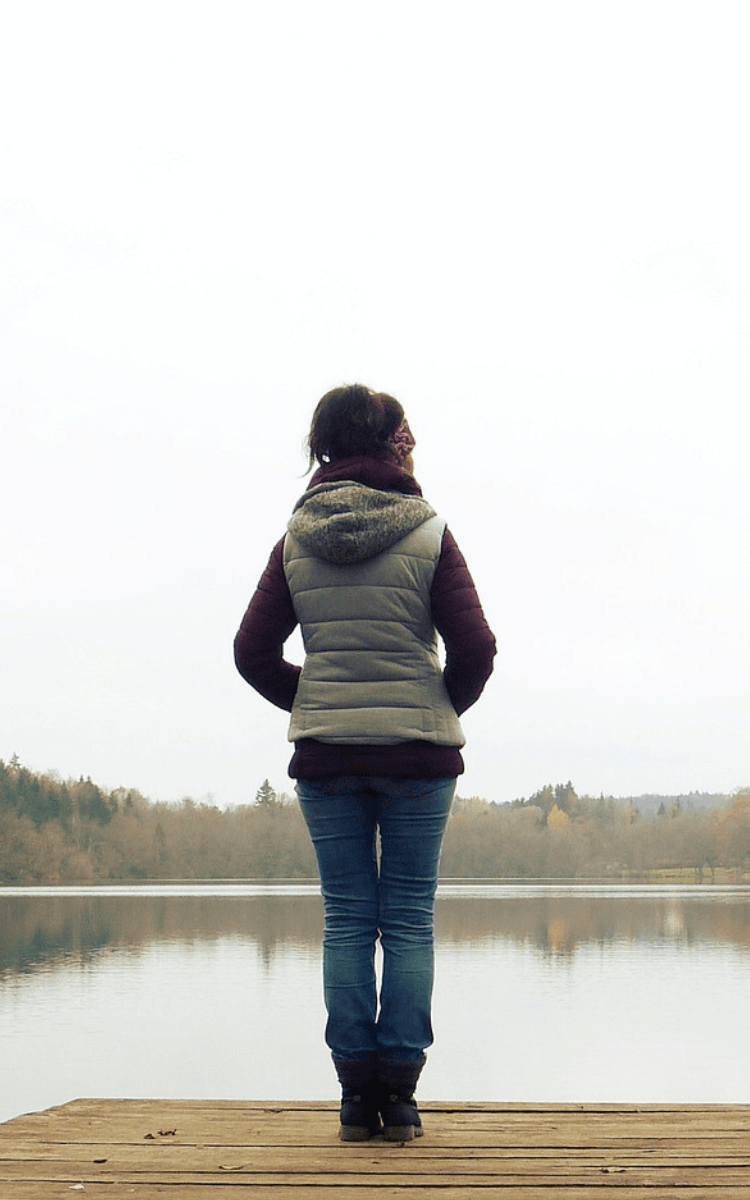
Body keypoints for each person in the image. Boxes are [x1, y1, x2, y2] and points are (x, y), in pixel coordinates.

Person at [234, 384, 495, 1142]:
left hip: (327, 760)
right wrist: (433, 711)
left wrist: (315, 703)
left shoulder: (294, 540)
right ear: (388, 445)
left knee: (349, 920)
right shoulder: (430, 532)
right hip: (419, 758)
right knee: (408, 919)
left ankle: (355, 1102)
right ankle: (403, 1100)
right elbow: (476, 648)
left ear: (322, 448)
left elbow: (251, 654)